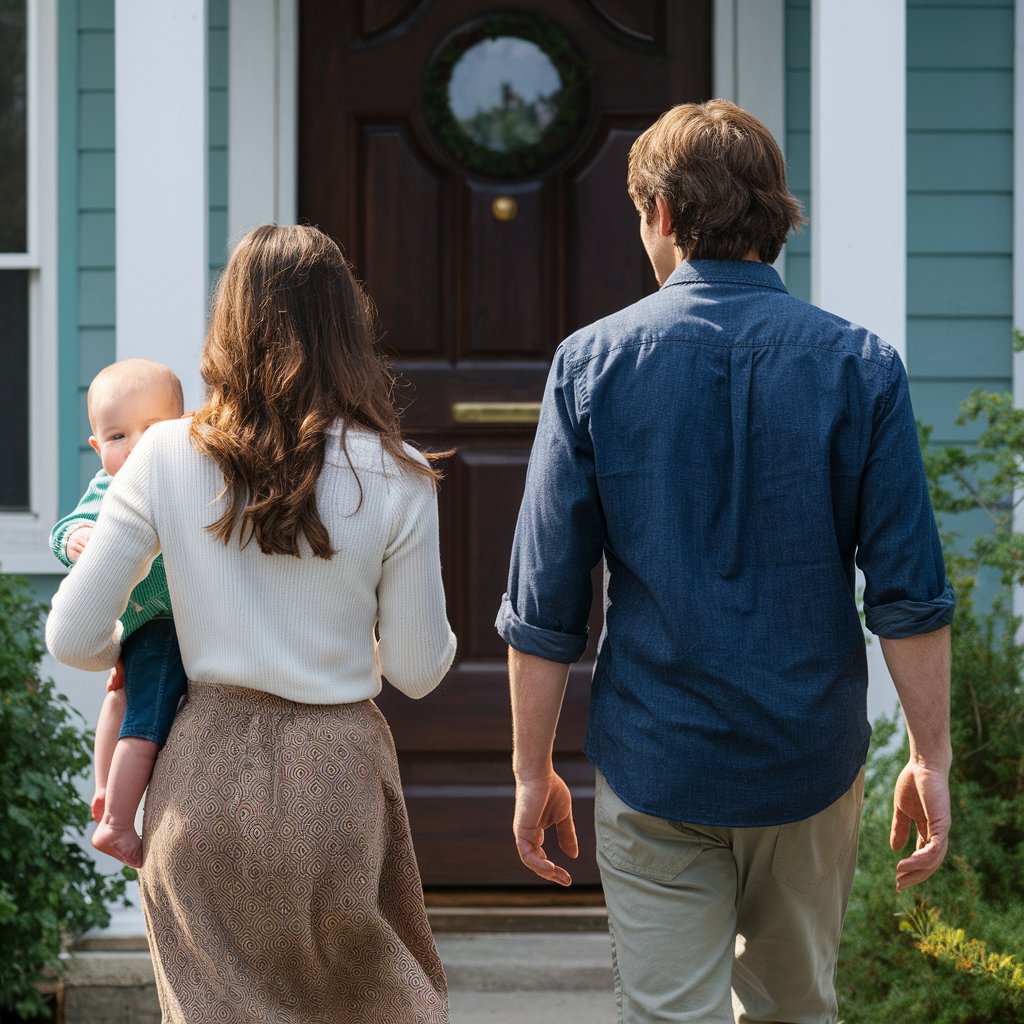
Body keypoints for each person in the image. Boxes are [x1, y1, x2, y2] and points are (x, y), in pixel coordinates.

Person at [496, 100, 955, 1024]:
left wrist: (529, 769)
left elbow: (545, 601)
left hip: (656, 759)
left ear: (662, 213)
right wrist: (931, 755)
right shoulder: (862, 365)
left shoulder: (593, 364)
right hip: (808, 761)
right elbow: (908, 594)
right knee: (795, 1011)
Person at [47, 224, 457, 1023]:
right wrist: (354, 640)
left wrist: (141, 643)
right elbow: (417, 667)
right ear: (348, 326)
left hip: (202, 777)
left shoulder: (163, 455)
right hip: (336, 777)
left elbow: (72, 637)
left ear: (227, 323)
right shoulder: (399, 475)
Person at [51, 359, 187, 870]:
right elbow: (69, 526)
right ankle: (116, 821)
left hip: (145, 622)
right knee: (144, 722)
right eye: (116, 435)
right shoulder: (107, 489)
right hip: (157, 624)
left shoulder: (185, 478)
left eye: (152, 431)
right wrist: (76, 539)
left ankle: (105, 792)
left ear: (185, 428)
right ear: (96, 448)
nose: (134, 447)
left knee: (119, 700)